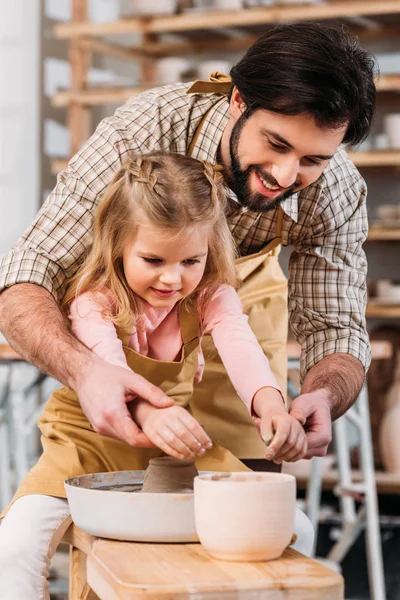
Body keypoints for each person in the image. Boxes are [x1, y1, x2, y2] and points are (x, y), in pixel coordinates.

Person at [0, 25, 376, 465]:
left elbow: (337, 329)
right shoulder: (145, 129)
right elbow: (30, 273)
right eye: (275, 143)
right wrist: (87, 373)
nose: (286, 175)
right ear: (237, 101)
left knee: (246, 479)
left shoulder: (337, 189)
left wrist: (324, 398)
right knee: (123, 475)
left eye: (312, 160)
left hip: (241, 303)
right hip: (125, 312)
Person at [0, 152, 309, 598]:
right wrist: (148, 412)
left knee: (292, 525)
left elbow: (242, 347)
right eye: (153, 260)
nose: (172, 279)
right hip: (86, 444)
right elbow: (111, 368)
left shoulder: (210, 296)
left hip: (170, 451)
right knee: (14, 547)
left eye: (190, 261)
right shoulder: (94, 301)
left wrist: (273, 407)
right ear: (117, 246)